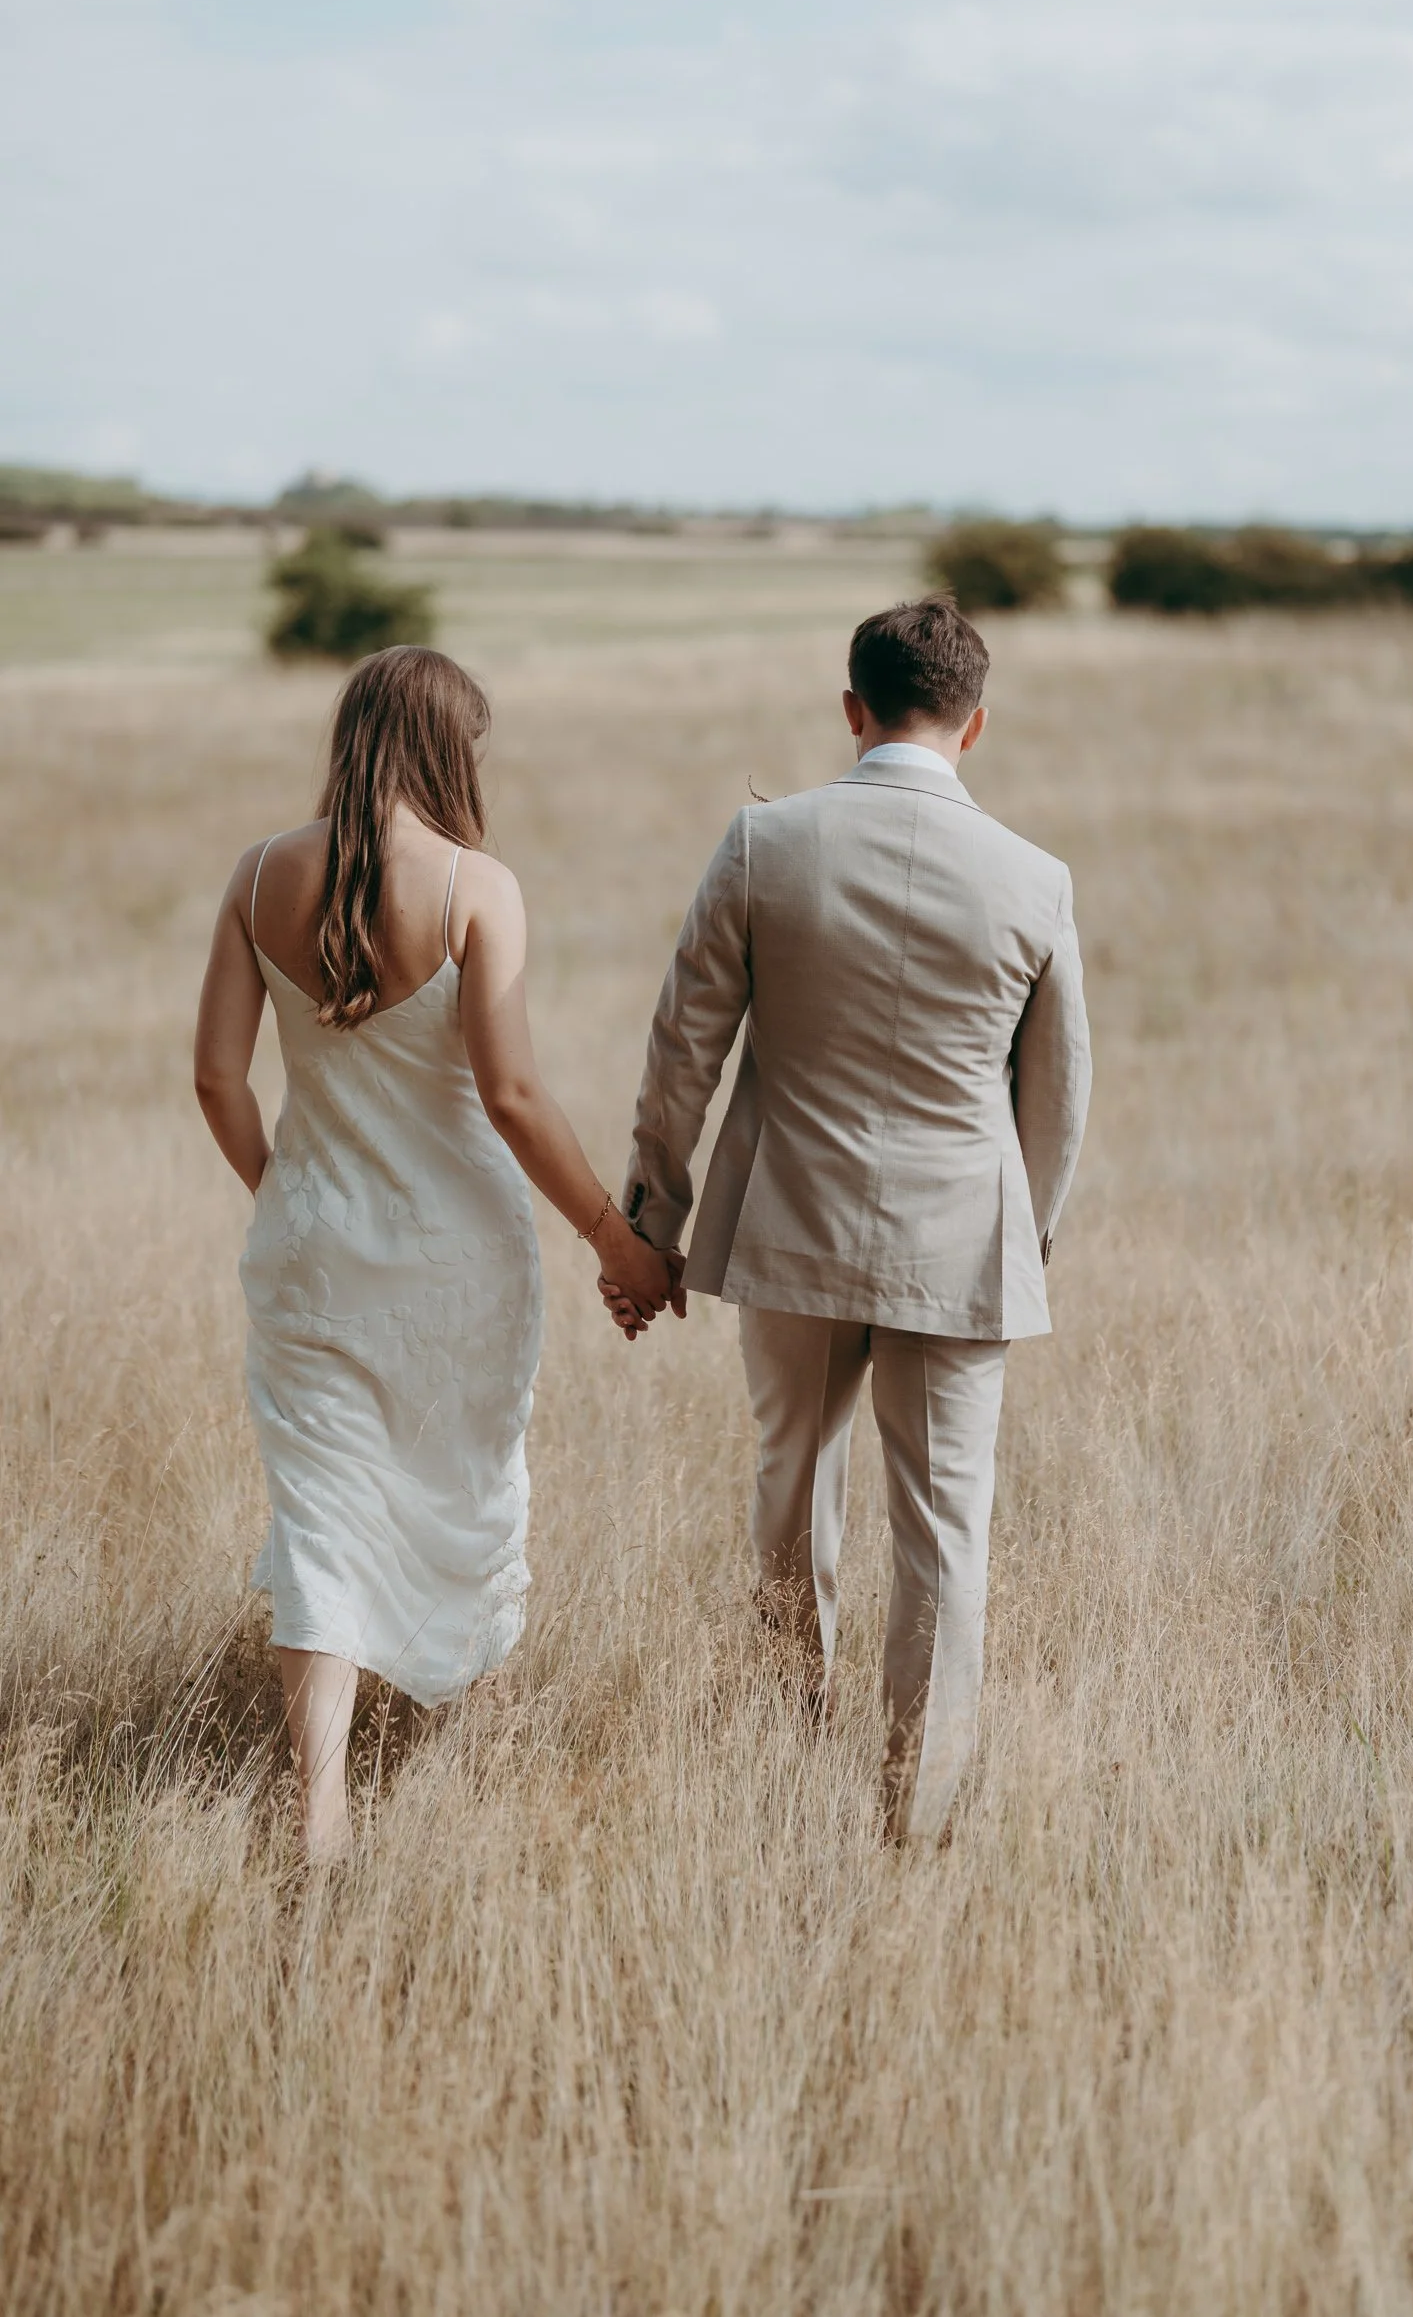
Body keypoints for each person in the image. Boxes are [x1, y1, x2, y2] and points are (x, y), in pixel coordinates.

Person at [607, 598, 1092, 1842]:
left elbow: (683, 1050)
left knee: (790, 1492)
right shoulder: (1035, 881)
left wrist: (652, 1220)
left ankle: (782, 1762)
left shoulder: (768, 842)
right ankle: (914, 1818)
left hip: (787, 1231)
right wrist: (1016, 1243)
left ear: (850, 707)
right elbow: (1058, 1099)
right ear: (974, 723)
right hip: (962, 1247)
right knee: (944, 1534)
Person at [194, 645, 673, 1861]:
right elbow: (510, 1094)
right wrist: (616, 1242)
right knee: (463, 1482)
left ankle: (315, 1804)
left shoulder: (258, 877)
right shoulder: (475, 886)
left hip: (310, 1252)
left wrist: (287, 1192)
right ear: (450, 749)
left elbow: (215, 1076)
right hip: (459, 1257)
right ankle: (464, 1733)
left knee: (321, 1509)